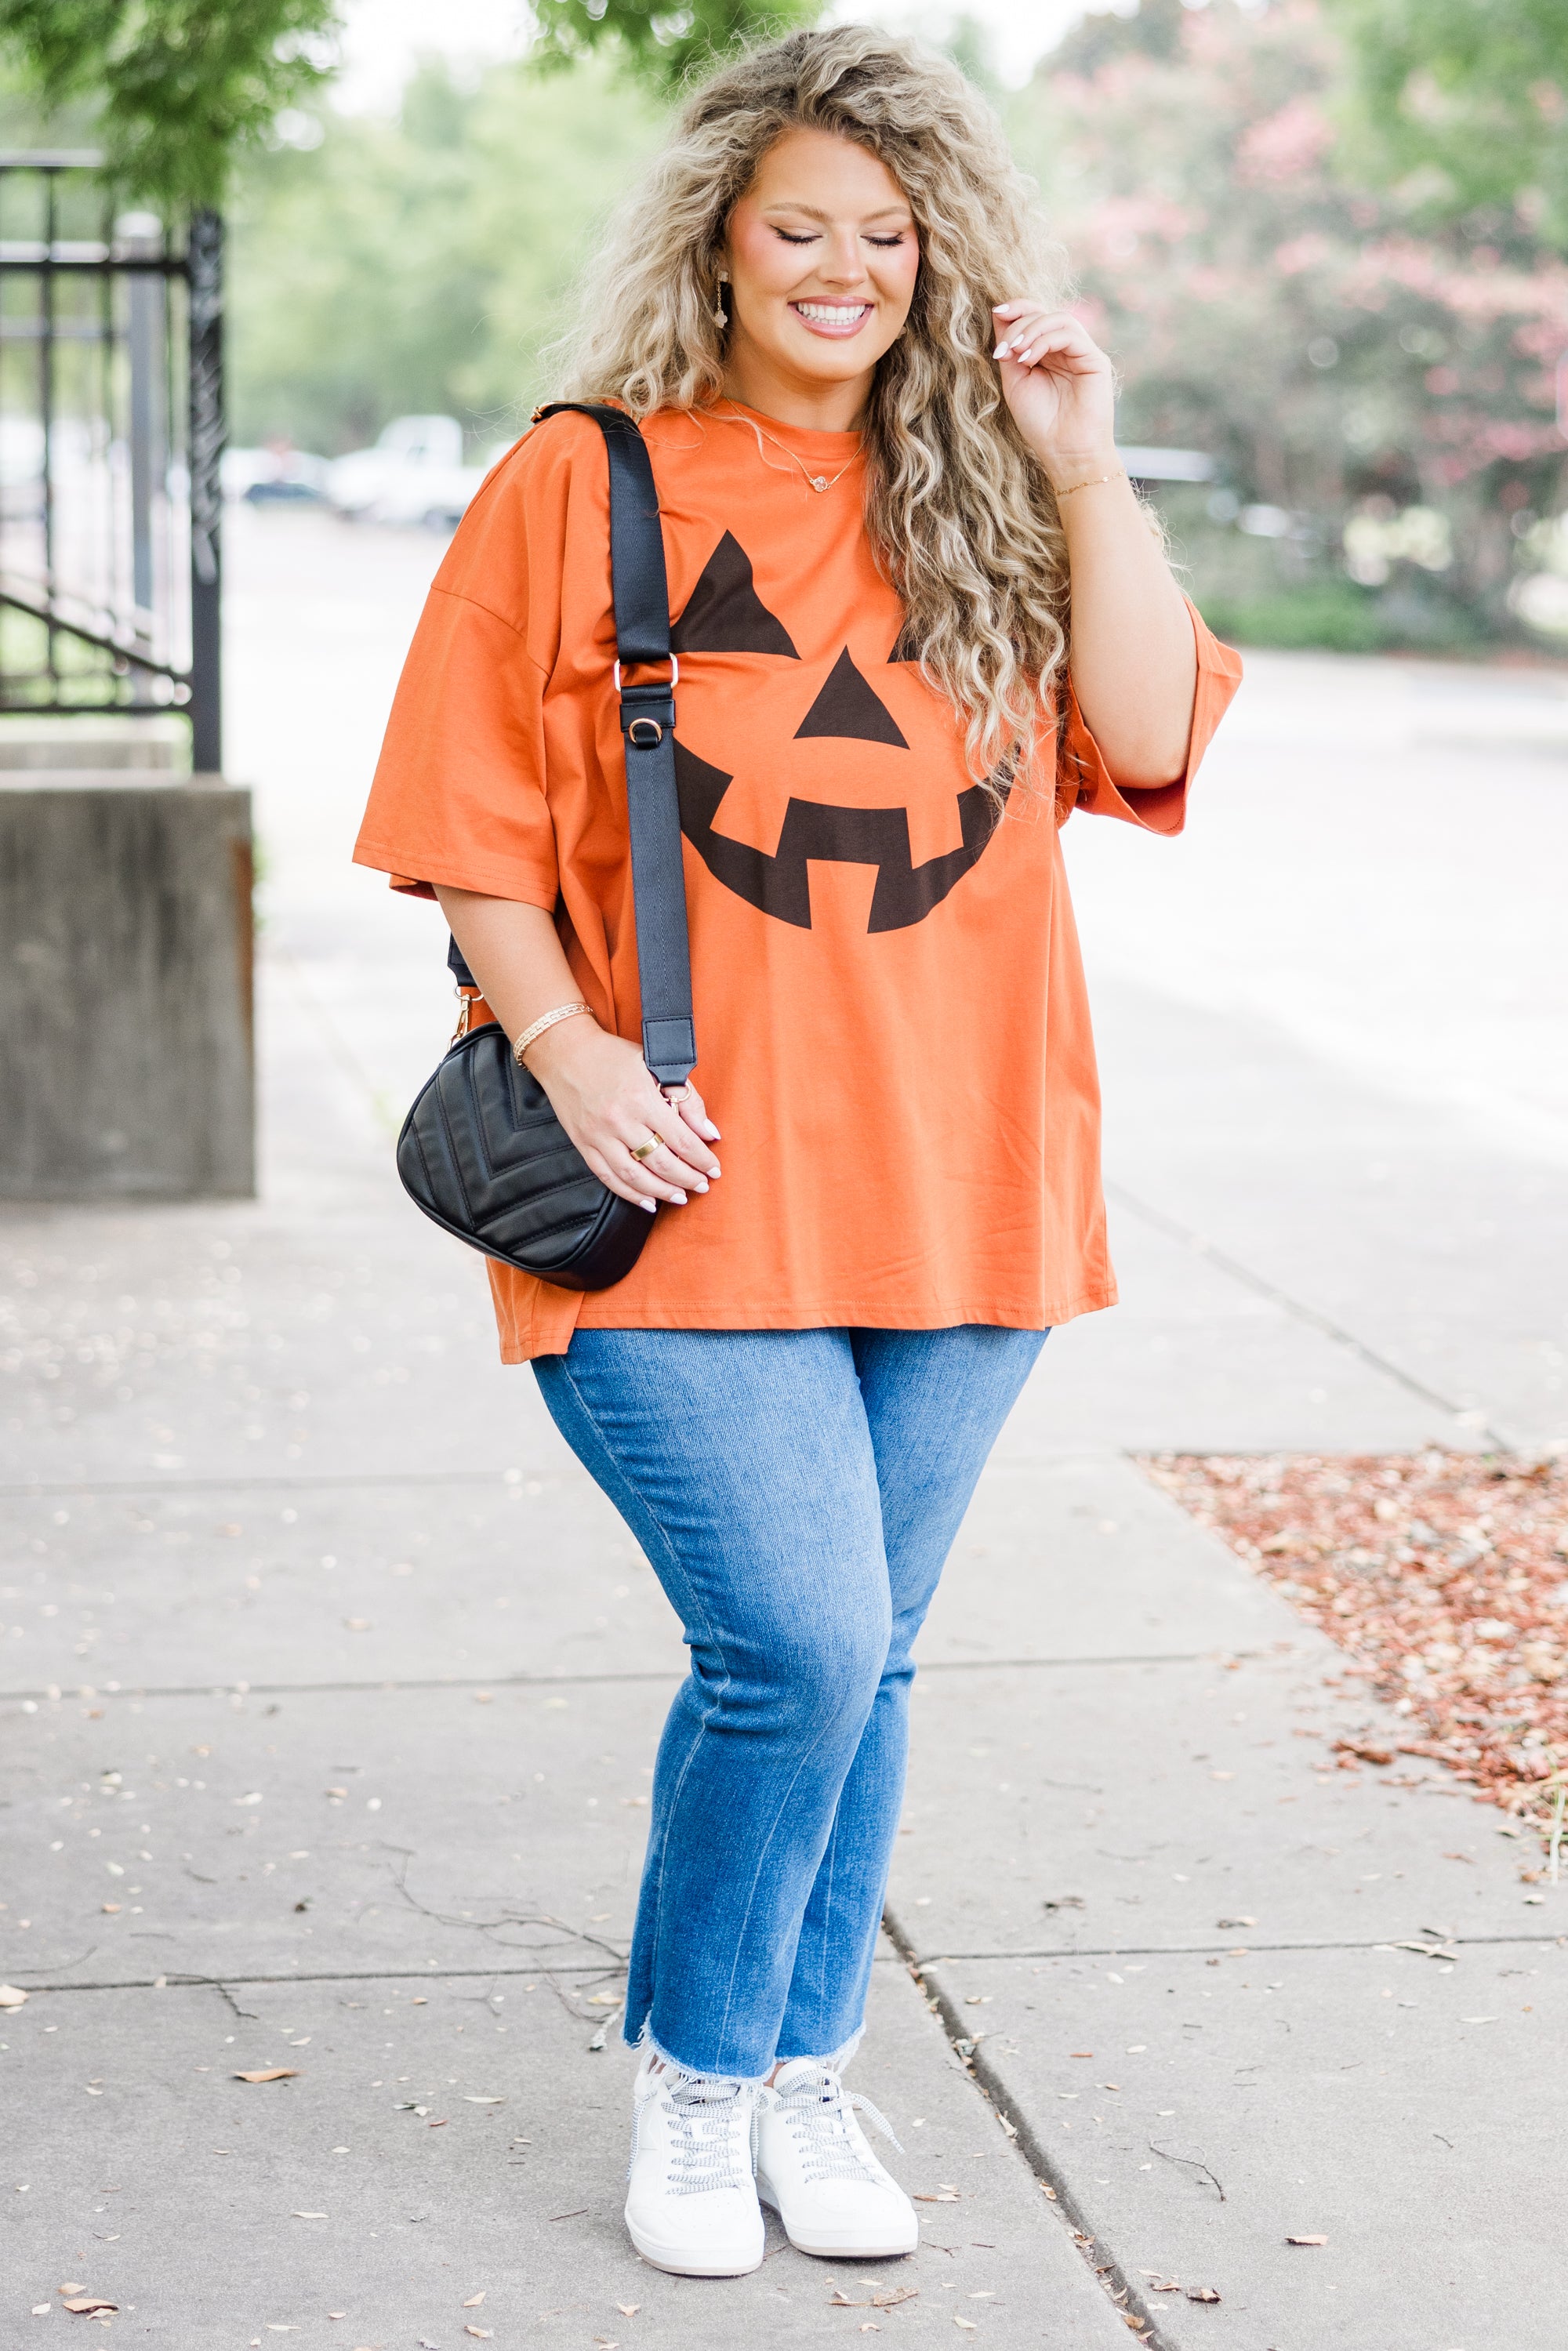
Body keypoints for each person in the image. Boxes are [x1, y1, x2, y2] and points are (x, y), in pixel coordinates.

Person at [354, 24, 1240, 2282]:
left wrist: (1086, 466)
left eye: (884, 234)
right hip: (674, 1174)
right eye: (800, 232)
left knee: (881, 1658)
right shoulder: (591, 481)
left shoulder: (994, 494)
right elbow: (468, 820)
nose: (843, 270)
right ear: (723, 247)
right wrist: (563, 1053)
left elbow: (1141, 738)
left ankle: (797, 2067)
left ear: (932, 255)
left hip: (966, 1172)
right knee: (807, 1644)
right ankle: (694, 2072)